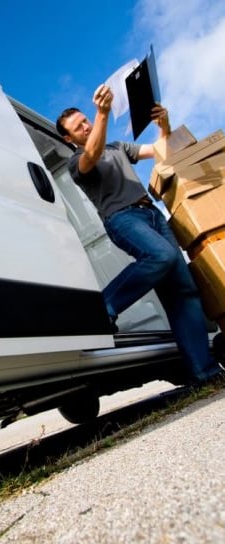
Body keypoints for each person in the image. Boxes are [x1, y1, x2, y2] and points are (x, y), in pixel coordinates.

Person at [56, 83, 221, 385]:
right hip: (123, 218)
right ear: (69, 139)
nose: (87, 126)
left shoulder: (117, 148)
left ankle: (205, 372)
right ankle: (103, 309)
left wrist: (164, 125)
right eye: (79, 128)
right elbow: (90, 154)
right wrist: (103, 114)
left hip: (152, 215)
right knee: (161, 255)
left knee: (184, 292)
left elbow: (160, 151)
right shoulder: (76, 163)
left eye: (86, 121)